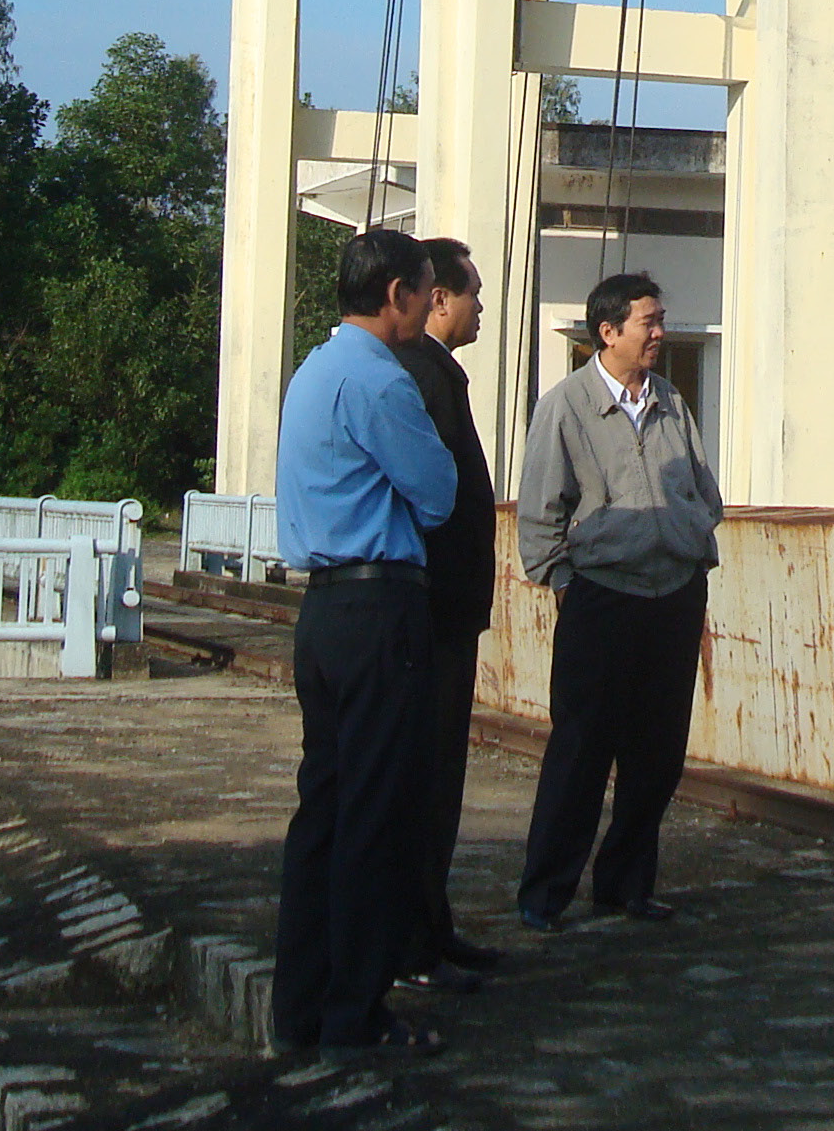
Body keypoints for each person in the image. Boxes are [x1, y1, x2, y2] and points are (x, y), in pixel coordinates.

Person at [271, 226, 459, 1062]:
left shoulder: (314, 371)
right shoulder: (382, 380)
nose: (431, 302)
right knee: (378, 816)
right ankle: (357, 1013)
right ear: (396, 295)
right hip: (379, 609)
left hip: (322, 615)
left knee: (325, 811)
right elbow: (438, 491)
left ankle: (301, 1007)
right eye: (425, 288)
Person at [512, 271, 723, 930]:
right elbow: (540, 509)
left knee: (658, 754)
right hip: (601, 598)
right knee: (580, 750)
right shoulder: (566, 406)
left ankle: (627, 885)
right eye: (649, 322)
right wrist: (564, 582)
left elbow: (702, 488)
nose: (661, 333)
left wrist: (689, 533)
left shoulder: (669, 399)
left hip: (674, 594)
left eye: (661, 320)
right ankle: (546, 895)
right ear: (608, 332)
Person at [392, 236, 503, 996]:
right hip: (431, 614)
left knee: (440, 778)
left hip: (445, 611)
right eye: (471, 293)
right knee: (424, 779)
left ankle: (431, 923)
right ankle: (413, 937)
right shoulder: (422, 378)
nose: (479, 307)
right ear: (437, 299)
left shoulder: (434, 374)